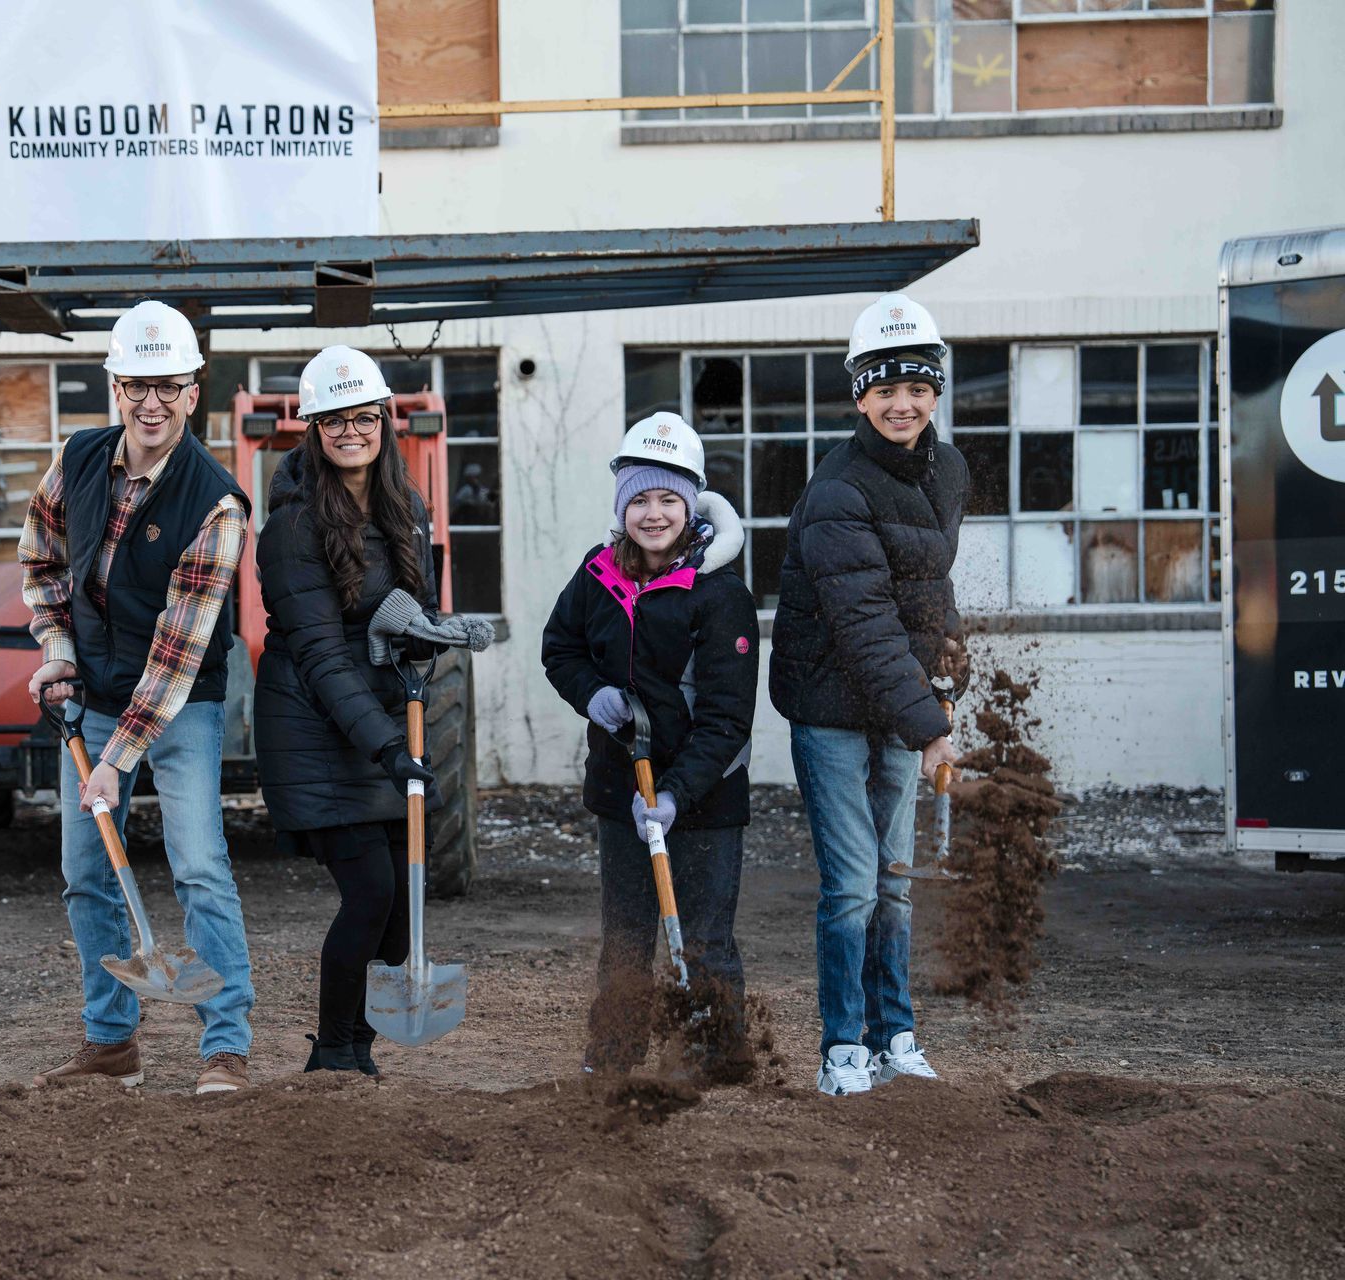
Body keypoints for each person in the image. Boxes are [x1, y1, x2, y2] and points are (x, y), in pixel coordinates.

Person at [20, 299, 257, 1095]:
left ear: (195, 391)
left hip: (180, 702)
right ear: (114, 387)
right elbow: (43, 563)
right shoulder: (78, 459)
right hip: (90, 692)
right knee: (86, 871)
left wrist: (116, 759)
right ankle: (112, 1040)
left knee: (197, 867)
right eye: (134, 386)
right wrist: (56, 652)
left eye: (168, 386)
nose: (150, 403)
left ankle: (225, 1046)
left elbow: (178, 649)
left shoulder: (216, 502)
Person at [252, 345, 492, 1075]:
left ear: (384, 419)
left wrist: (435, 634)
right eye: (334, 419)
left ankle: (357, 1045)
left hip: (384, 720)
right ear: (312, 426)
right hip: (316, 729)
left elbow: (407, 610)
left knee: (398, 907)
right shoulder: (292, 529)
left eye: (364, 416)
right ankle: (335, 1052)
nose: (351, 430)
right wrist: (389, 748)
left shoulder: (405, 506)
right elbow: (324, 657)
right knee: (372, 892)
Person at [769, 293, 971, 1096]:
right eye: (885, 389)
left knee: (895, 881)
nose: (902, 403)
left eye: (917, 387)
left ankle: (897, 1036)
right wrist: (928, 724)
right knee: (853, 885)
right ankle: (842, 1048)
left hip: (897, 701)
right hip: (830, 706)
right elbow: (866, 625)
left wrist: (947, 665)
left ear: (935, 393)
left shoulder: (946, 469)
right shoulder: (838, 491)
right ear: (859, 395)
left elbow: (927, 585)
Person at [541, 413, 759, 1074]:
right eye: (639, 498)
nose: (654, 512)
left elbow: (727, 719)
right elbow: (561, 648)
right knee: (627, 937)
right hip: (620, 788)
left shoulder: (720, 596)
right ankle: (612, 1057)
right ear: (621, 505)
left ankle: (716, 1063)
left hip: (706, 796)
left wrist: (673, 795)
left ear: (691, 505)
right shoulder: (596, 574)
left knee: (704, 938)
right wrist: (591, 694)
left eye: (668, 498)